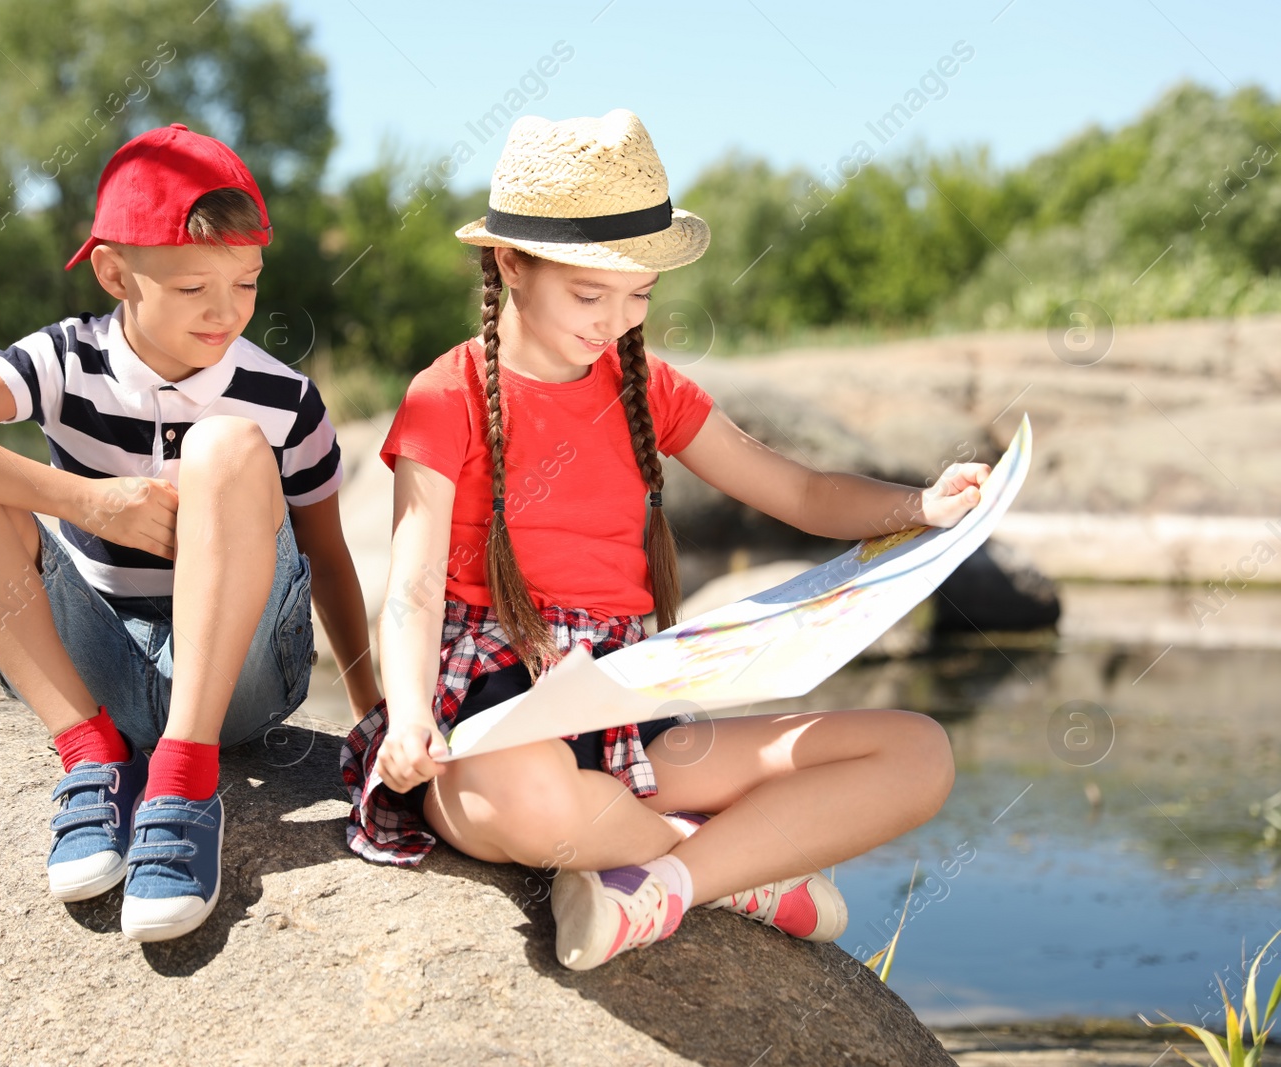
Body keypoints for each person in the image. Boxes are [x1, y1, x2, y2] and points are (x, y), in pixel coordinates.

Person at [340, 110, 980, 971]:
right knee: (526, 793)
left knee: (917, 752)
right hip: (490, 712)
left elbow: (796, 489)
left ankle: (666, 880)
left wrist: (921, 504)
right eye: (589, 294)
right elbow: (413, 584)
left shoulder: (647, 387)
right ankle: (737, 868)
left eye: (638, 295)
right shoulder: (442, 394)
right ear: (511, 262)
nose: (615, 321)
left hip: (629, 720)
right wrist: (411, 713)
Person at [0, 124, 379, 942]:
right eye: (191, 288)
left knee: (225, 442)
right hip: (99, 660)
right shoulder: (65, 359)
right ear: (114, 271)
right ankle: (90, 751)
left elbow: (328, 554)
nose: (225, 310)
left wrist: (372, 713)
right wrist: (87, 502)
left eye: (245, 283)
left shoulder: (286, 401)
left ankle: (182, 779)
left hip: (240, 678)